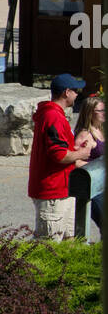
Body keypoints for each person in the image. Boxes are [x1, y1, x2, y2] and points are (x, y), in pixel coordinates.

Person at [27, 74, 90, 240]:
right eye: (76, 91)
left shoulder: (55, 114)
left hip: (63, 188)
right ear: (66, 92)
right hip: (52, 192)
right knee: (48, 245)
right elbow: (59, 155)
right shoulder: (52, 116)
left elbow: (60, 148)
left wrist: (75, 150)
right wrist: (82, 153)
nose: (77, 95)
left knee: (67, 241)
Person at [73, 94, 104, 233]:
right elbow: (75, 162)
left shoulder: (101, 130)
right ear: (90, 113)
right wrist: (94, 169)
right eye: (100, 111)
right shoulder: (85, 135)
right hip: (93, 187)